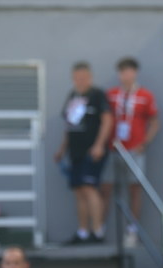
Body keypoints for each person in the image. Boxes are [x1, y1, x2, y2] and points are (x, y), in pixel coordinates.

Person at [101, 57, 159, 247]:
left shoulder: (145, 95)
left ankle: (132, 230)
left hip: (135, 149)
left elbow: (155, 122)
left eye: (129, 71)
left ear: (135, 73)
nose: (126, 75)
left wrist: (145, 143)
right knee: (107, 187)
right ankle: (100, 229)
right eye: (122, 71)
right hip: (113, 148)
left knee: (135, 189)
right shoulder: (111, 94)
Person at [54, 61, 113, 244]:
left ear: (90, 77)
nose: (80, 81)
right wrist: (62, 149)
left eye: (84, 78)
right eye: (77, 78)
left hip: (92, 151)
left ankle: (97, 231)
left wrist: (99, 145)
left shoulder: (97, 95)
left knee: (89, 188)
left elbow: (107, 120)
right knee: (79, 191)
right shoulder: (72, 96)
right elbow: (69, 125)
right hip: (75, 152)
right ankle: (83, 232)